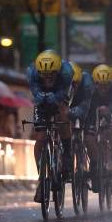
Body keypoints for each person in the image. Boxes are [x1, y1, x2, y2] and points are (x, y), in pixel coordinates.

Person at [26, 49, 73, 203]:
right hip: (42, 101)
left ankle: (66, 152)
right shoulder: (31, 72)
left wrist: (57, 97)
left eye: (51, 74)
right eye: (44, 75)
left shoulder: (66, 72)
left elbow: (66, 92)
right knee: (40, 137)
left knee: (62, 117)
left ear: (58, 71)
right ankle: (42, 179)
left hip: (61, 96)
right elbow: (34, 90)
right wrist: (39, 94)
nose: (47, 78)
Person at [85, 64, 112, 195]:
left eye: (106, 85)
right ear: (95, 83)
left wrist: (109, 110)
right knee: (89, 138)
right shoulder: (89, 89)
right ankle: (94, 169)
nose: (103, 88)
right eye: (100, 85)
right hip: (93, 113)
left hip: (111, 112)